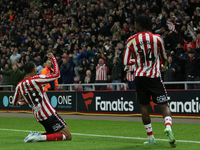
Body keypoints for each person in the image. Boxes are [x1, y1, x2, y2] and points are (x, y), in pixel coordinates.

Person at [123, 14, 176, 147]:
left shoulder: (131, 40)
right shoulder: (157, 38)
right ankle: (168, 128)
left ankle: (151, 138)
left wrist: (138, 61)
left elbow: (126, 61)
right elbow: (164, 56)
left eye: (136, 24)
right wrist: (163, 65)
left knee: (144, 108)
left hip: (140, 77)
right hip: (154, 77)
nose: (134, 26)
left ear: (139, 25)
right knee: (164, 106)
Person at [11, 53, 72, 143]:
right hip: (48, 114)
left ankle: (34, 136)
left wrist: (22, 102)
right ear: (34, 70)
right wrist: (53, 59)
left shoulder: (19, 85)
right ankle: (38, 138)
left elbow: (14, 102)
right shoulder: (37, 79)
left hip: (38, 116)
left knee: (53, 132)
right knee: (67, 136)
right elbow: (57, 74)